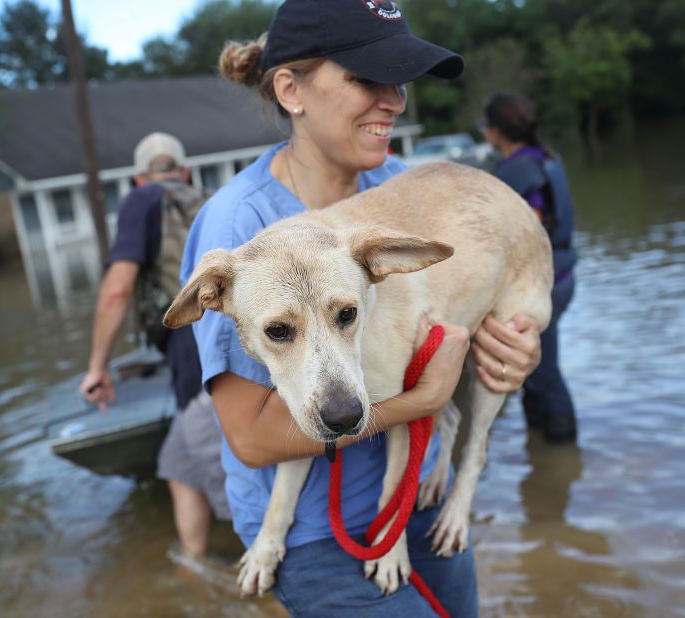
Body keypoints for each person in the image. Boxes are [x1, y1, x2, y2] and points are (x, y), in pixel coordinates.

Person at [179, 2, 544, 615]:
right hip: (316, 537)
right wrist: (422, 400)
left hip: (422, 494)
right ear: (291, 89)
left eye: (398, 81)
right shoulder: (238, 227)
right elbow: (249, 437)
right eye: (365, 80)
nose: (395, 101)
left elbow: (474, 286)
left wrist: (516, 354)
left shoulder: (401, 184)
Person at [79, 132, 230, 560]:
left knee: (236, 485)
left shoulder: (140, 201)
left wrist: (98, 367)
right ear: (183, 171)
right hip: (227, 348)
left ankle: (274, 579)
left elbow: (116, 290)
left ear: (138, 177)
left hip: (201, 364)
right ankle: (193, 566)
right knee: (177, 466)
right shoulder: (211, 198)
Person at [481, 92, 579, 443]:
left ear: (494, 131)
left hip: (543, 285)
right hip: (564, 275)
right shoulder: (549, 158)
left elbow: (531, 224)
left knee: (543, 368)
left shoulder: (516, 171)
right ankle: (543, 454)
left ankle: (561, 442)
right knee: (533, 366)